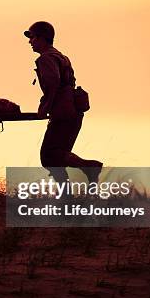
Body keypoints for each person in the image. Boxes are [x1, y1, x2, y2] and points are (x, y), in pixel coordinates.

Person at [25, 21, 103, 187]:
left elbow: (53, 85)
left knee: (49, 156)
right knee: (56, 156)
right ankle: (66, 195)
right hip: (73, 112)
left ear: (42, 38)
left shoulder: (46, 58)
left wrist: (44, 108)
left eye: (32, 37)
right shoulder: (60, 56)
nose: (29, 41)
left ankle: (89, 168)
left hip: (63, 113)